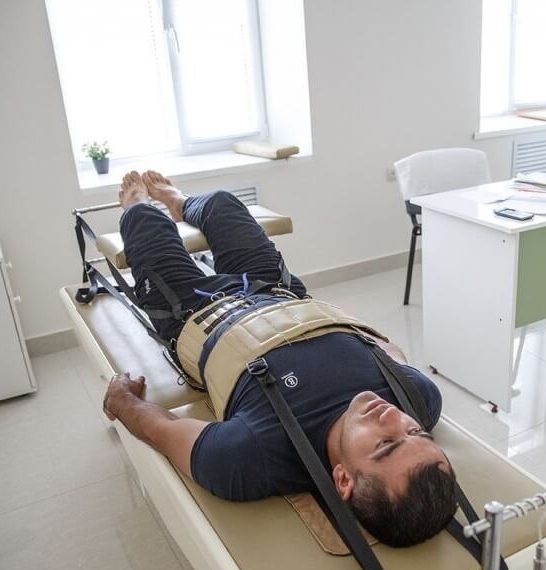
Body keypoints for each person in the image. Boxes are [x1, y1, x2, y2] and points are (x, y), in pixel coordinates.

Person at [101, 171, 457, 547]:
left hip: (195, 310)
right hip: (277, 292)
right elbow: (389, 350)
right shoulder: (418, 399)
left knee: (143, 220)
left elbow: (160, 429)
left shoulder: (251, 456)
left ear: (343, 479)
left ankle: (137, 202)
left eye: (384, 444)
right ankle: (177, 201)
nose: (393, 417)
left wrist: (122, 399)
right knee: (221, 203)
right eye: (415, 432)